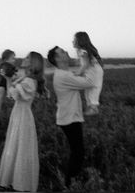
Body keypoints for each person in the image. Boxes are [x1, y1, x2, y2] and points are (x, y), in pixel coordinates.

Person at [47, 46, 98, 189]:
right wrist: (89, 66)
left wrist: (84, 66)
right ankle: (69, 185)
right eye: (62, 52)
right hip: (70, 119)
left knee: (77, 152)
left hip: (68, 118)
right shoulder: (64, 76)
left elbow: (75, 77)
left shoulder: (63, 73)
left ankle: (71, 182)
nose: (66, 52)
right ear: (57, 58)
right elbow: (89, 82)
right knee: (78, 153)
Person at [0, 51, 47, 192]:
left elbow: (16, 96)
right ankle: (14, 181)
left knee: (21, 146)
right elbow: (11, 95)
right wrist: (9, 79)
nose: (23, 59)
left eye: (27, 58)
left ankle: (20, 183)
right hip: (19, 113)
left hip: (23, 115)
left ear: (32, 63)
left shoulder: (29, 81)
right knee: (17, 145)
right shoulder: (26, 78)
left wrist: (8, 80)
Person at [73, 31, 104, 115]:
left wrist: (78, 73)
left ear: (80, 41)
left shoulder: (82, 51)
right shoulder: (84, 50)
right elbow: (85, 64)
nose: (72, 41)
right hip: (95, 71)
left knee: (92, 89)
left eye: (74, 39)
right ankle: (91, 108)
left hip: (94, 72)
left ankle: (93, 109)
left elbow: (85, 64)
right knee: (90, 89)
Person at [0, 49, 17, 115]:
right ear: (6, 59)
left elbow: (11, 72)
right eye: (12, 58)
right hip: (0, 84)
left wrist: (14, 72)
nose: (14, 60)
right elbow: (6, 71)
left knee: (1, 97)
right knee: (0, 96)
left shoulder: (7, 65)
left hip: (4, 84)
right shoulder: (4, 65)